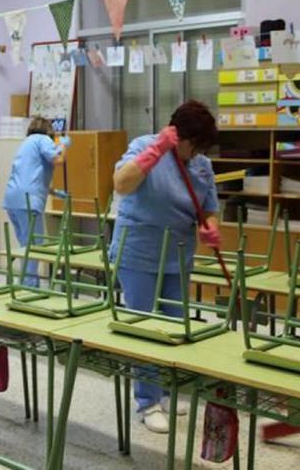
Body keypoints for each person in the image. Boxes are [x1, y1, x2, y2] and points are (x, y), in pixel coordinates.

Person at [110, 101, 220, 434]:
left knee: (174, 326)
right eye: (194, 145)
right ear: (177, 135)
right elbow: (121, 184)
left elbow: (209, 208)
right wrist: (156, 151)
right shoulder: (145, 147)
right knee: (145, 328)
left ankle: (167, 391)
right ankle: (147, 402)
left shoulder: (201, 166)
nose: (196, 152)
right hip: (139, 253)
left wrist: (211, 226)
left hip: (178, 255)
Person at [2, 117, 69, 286]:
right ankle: (30, 288)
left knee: (26, 245)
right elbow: (58, 160)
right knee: (35, 247)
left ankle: (27, 283)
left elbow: (30, 176)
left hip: (12, 201)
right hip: (28, 202)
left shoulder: (26, 143)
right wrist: (64, 145)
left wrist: (53, 191)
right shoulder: (43, 139)